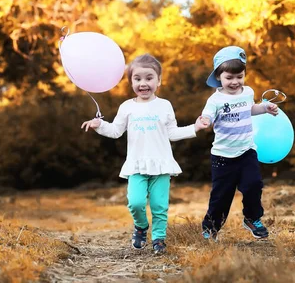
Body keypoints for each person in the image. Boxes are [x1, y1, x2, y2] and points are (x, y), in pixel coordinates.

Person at [81, 53, 209, 255]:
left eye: (149, 78)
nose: (143, 83)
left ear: (159, 80)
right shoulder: (127, 107)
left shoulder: (164, 105)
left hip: (161, 164)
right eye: (137, 78)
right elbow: (115, 131)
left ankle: (159, 239)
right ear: (130, 80)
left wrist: (196, 127)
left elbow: (172, 133)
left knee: (159, 206)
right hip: (137, 165)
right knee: (136, 202)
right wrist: (99, 125)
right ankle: (141, 226)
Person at [200, 46, 278, 241]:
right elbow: (208, 114)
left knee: (254, 185)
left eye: (239, 76)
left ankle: (252, 218)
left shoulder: (247, 92)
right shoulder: (215, 99)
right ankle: (211, 228)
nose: (235, 82)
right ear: (219, 77)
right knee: (221, 196)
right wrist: (205, 120)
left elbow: (250, 109)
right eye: (229, 78)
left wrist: (266, 108)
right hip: (222, 156)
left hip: (246, 151)